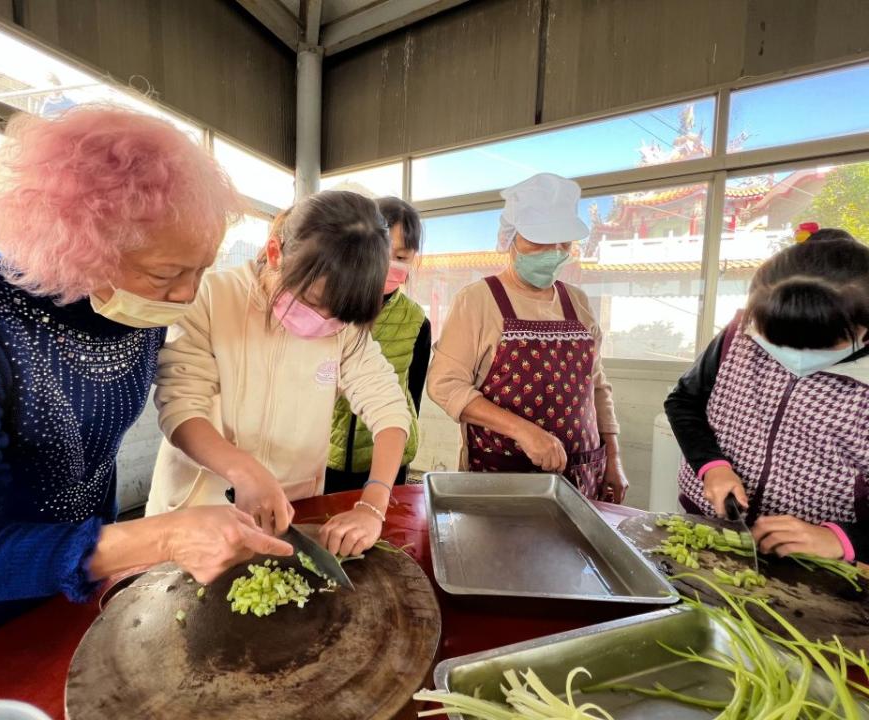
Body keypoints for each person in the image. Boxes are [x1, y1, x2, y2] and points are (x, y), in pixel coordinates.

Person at [0, 106, 293, 679]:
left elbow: (129, 428)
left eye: (201, 270)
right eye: (166, 275)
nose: (186, 296)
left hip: (75, 589)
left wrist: (240, 469)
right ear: (79, 248)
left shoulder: (137, 311)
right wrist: (157, 537)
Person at [146, 190, 412, 557]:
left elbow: (389, 408)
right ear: (275, 253)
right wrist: (243, 471)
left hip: (292, 515)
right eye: (314, 303)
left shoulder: (345, 330)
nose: (325, 322)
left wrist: (373, 502)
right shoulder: (212, 298)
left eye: (340, 315)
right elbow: (181, 408)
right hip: (200, 512)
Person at [665, 225, 869, 561]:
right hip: (713, 525)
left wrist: (843, 539)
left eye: (820, 345)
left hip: (819, 561)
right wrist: (712, 465)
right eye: (775, 339)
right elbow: (684, 401)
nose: (792, 357)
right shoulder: (742, 331)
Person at [426, 173, 628, 502]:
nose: (553, 251)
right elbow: (444, 385)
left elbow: (597, 386)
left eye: (562, 242)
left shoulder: (577, 302)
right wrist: (524, 431)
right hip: (501, 477)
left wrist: (614, 457)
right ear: (511, 238)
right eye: (541, 240)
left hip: (581, 474)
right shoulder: (478, 300)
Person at [325, 197, 431, 493]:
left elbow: (413, 391)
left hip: (388, 457)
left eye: (401, 256)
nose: (389, 264)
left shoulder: (415, 319)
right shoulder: (331, 306)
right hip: (327, 455)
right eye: (381, 252)